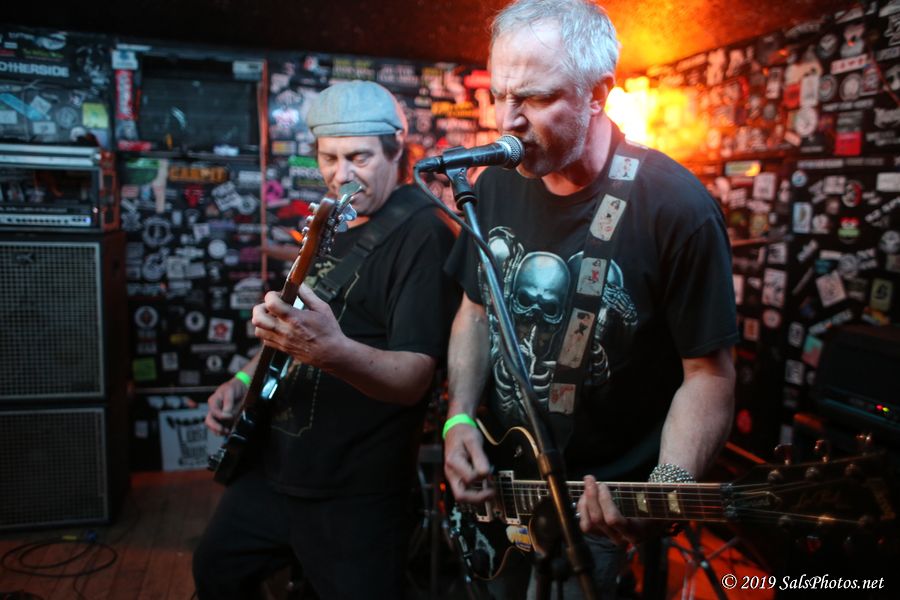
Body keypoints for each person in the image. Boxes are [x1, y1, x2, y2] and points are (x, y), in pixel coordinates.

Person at [442, 0, 739, 597]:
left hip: (596, 511)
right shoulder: (493, 184)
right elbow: (476, 310)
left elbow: (708, 374)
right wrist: (459, 416)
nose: (508, 120)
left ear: (598, 93)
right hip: (497, 484)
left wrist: (667, 486)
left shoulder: (676, 207)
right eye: (499, 95)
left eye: (534, 98)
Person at [193, 80, 460, 599]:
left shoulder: (423, 233)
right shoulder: (333, 219)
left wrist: (331, 352)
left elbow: (414, 378)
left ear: (395, 151)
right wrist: (243, 379)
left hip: (355, 490)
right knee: (216, 570)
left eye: (359, 157)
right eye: (329, 157)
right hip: (276, 468)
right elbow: (292, 327)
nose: (341, 175)